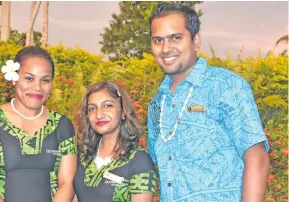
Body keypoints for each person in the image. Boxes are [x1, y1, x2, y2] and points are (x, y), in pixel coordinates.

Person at [147, 3, 270, 202]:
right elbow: (150, 167)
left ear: (196, 41)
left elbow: (256, 157)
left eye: (176, 38)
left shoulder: (226, 86)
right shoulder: (156, 105)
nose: (166, 48)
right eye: (158, 40)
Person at [0, 46, 77, 202]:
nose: (37, 87)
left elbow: (67, 183)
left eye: (45, 80)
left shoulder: (62, 125)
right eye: (29, 78)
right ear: (14, 78)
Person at [73, 81, 157, 202]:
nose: (99, 115)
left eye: (108, 105)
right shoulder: (81, 156)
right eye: (92, 108)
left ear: (123, 111)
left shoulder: (139, 160)